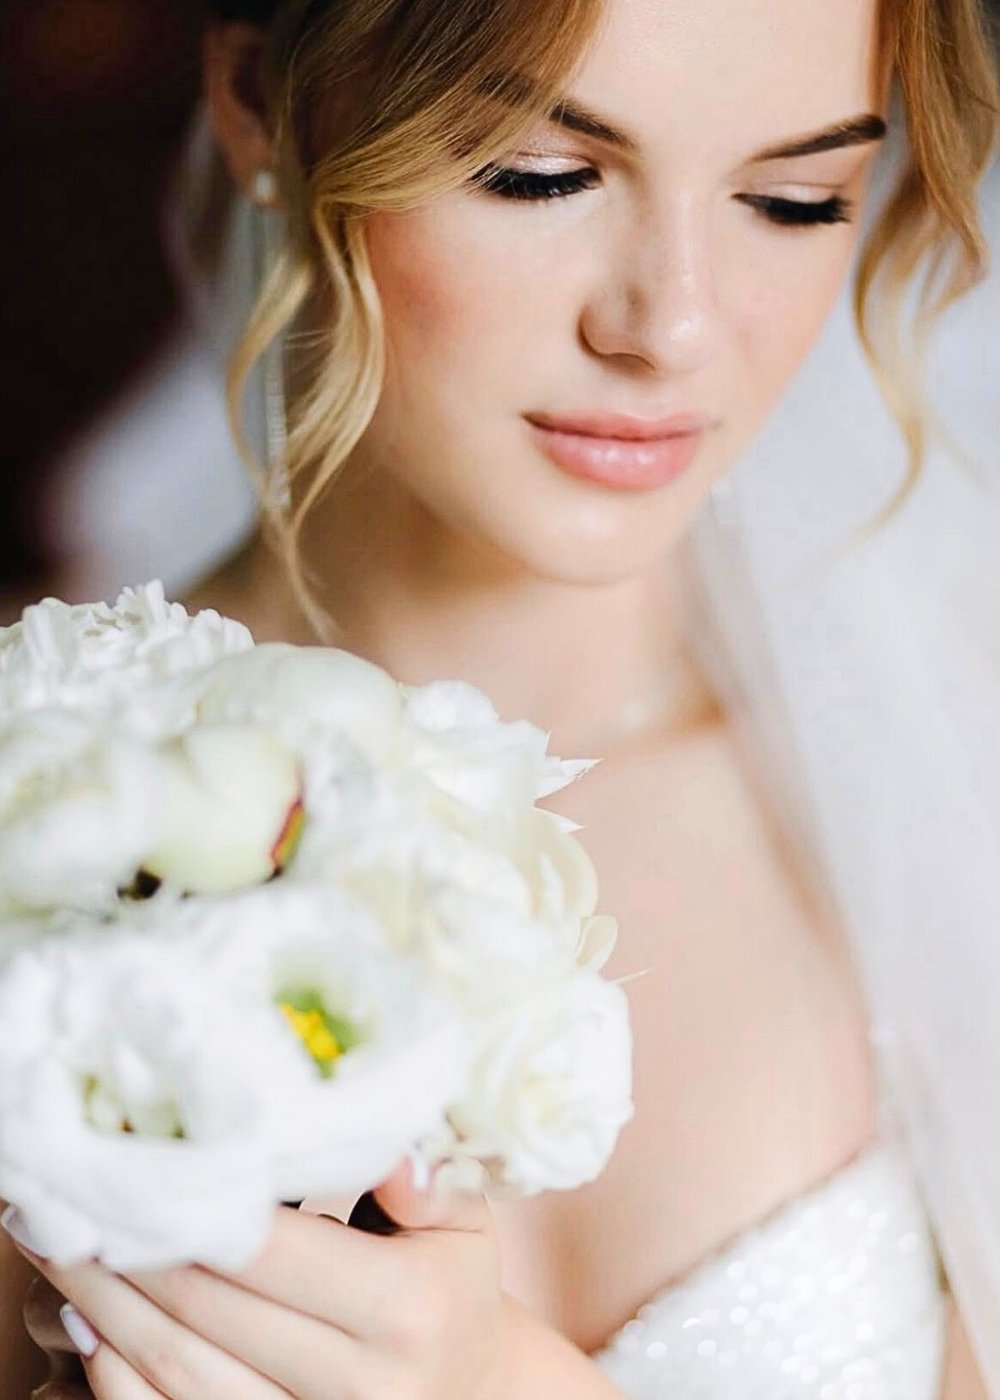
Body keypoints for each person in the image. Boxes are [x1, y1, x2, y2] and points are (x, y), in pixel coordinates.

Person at [3, 0, 999, 1395]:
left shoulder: (950, 768)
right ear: (254, 105)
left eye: (794, 199)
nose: (672, 325)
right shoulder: (34, 804)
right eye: (540, 175)